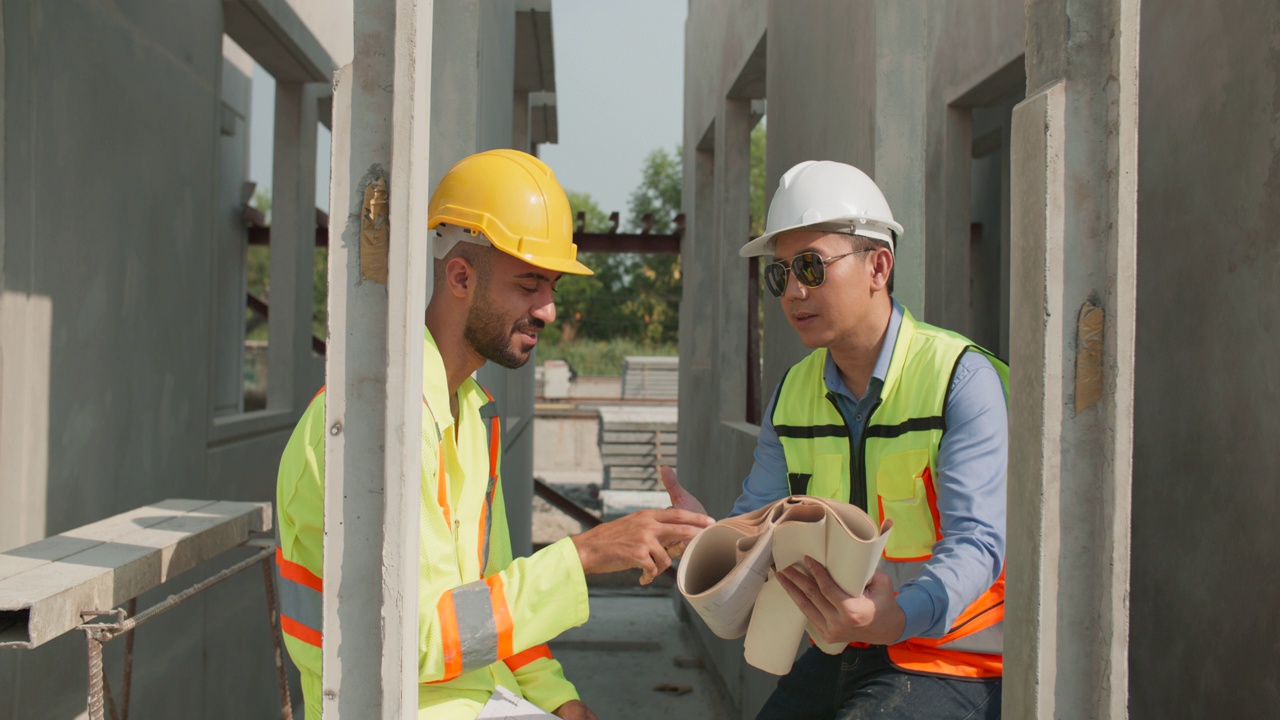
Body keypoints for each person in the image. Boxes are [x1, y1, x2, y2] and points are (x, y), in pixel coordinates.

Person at [275, 149, 715, 720]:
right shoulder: (375, 427)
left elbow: (495, 600)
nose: (549, 310)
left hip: (469, 698)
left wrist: (558, 698)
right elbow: (413, 641)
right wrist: (582, 555)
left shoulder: (467, 415)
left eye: (552, 286)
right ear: (460, 276)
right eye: (529, 284)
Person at [664, 160, 1007, 719]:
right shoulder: (793, 394)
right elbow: (758, 520)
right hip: (845, 644)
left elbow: (978, 542)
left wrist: (897, 616)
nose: (794, 290)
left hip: (953, 658)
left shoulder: (960, 381)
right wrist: (711, 541)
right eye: (780, 274)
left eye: (812, 267)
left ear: (878, 266)